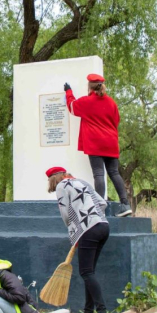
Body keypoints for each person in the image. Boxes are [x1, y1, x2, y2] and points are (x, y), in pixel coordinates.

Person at [46, 166, 112, 313]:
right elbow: (102, 203)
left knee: (86, 272)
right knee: (89, 271)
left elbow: (65, 214)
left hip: (88, 230)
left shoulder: (62, 186)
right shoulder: (82, 182)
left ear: (53, 179)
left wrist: (75, 230)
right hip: (103, 226)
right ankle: (88, 312)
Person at [64, 74, 132, 217]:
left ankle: (99, 208)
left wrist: (68, 91)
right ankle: (125, 204)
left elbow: (72, 106)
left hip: (95, 143)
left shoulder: (87, 102)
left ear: (89, 87)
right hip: (111, 143)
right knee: (114, 173)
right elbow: (117, 120)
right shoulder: (111, 102)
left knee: (99, 174)